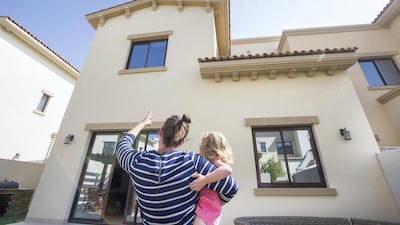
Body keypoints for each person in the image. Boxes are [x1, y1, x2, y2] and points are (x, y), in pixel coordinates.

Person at [116, 111, 238, 225]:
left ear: (160, 132)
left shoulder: (135, 162)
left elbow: (123, 145)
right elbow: (231, 188)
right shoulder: (193, 162)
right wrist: (211, 204)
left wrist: (143, 123)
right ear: (182, 141)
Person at [191, 131, 234, 225]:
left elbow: (227, 170)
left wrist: (205, 179)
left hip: (209, 205)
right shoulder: (198, 158)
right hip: (202, 202)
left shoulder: (213, 160)